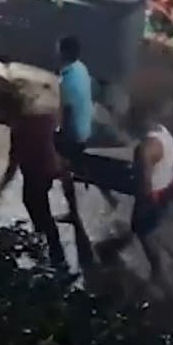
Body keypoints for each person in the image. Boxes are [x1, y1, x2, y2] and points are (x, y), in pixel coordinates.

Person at [0, 93, 66, 268]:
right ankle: (48, 245)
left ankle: (53, 253)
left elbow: (13, 164)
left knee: (37, 207)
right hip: (49, 170)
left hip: (34, 173)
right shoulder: (45, 117)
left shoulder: (19, 130)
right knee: (40, 206)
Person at [132, 120, 173, 281]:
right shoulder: (164, 133)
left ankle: (158, 271)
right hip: (165, 189)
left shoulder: (146, 147)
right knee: (153, 228)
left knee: (143, 231)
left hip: (152, 195)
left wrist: (142, 200)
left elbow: (145, 179)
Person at [54, 35, 94, 221]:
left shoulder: (67, 79)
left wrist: (60, 134)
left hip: (75, 132)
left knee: (63, 170)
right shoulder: (81, 68)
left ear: (64, 52)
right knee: (77, 165)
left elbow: (67, 112)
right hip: (86, 127)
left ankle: (73, 213)